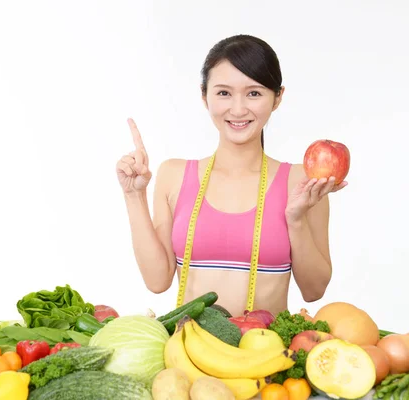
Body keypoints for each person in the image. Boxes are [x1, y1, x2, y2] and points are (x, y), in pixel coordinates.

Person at [115, 34, 347, 318]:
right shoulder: (173, 175)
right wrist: (133, 194)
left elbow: (314, 290)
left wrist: (296, 220)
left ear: (278, 98)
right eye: (224, 93)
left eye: (254, 93)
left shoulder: (303, 181)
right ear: (204, 96)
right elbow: (157, 281)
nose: (238, 109)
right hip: (190, 353)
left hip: (268, 354)